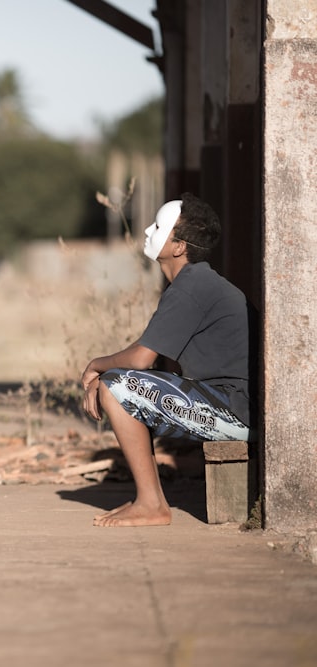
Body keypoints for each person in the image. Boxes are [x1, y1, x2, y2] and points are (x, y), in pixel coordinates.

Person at [81, 192, 256, 527]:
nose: (148, 230)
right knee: (116, 382)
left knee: (116, 385)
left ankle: (151, 505)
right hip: (231, 404)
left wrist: (95, 367)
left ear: (179, 247)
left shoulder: (192, 286)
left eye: (159, 226)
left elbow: (141, 359)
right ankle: (151, 500)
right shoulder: (195, 283)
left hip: (238, 412)